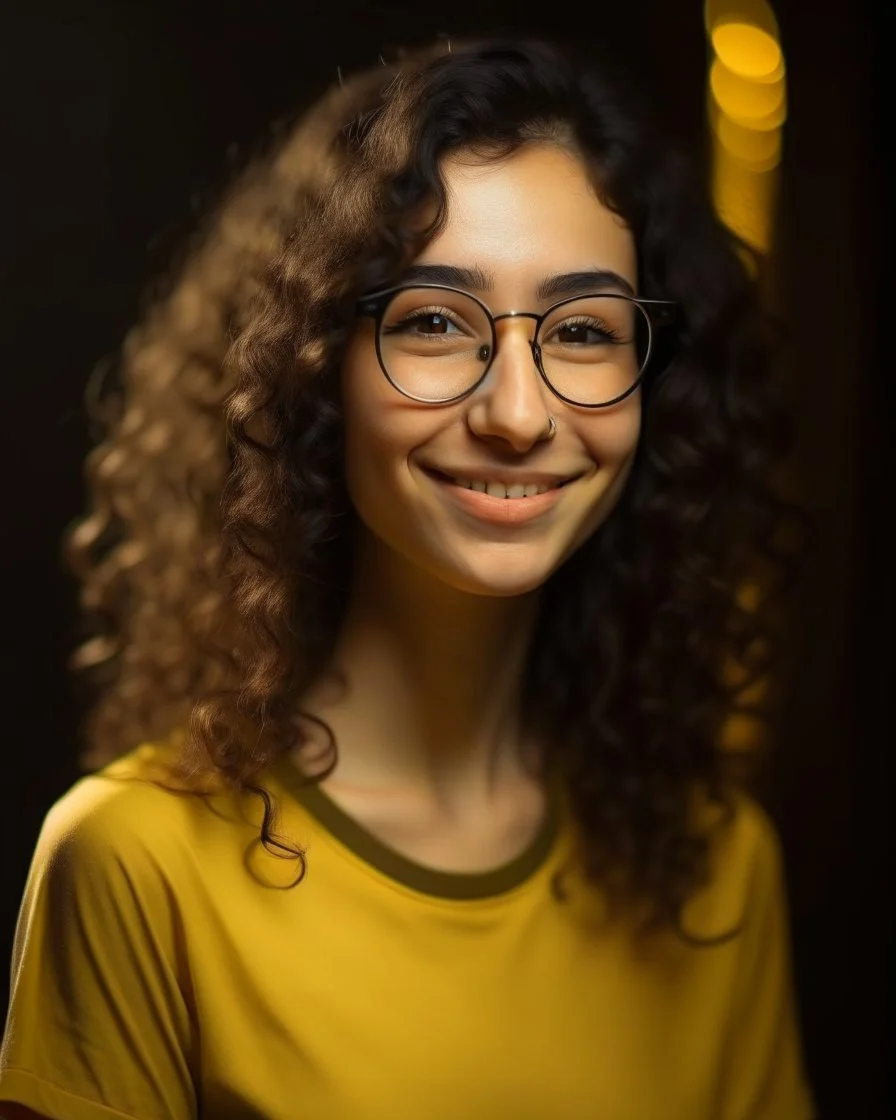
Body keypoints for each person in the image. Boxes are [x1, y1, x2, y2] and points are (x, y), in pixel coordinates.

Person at [0, 33, 817, 1120]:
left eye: (581, 330)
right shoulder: (135, 863)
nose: (519, 414)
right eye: (434, 321)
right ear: (313, 367)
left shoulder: (716, 870)